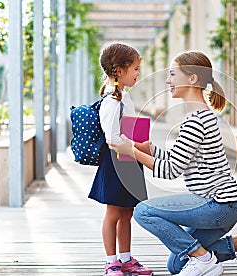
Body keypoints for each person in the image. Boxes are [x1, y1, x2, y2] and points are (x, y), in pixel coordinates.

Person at [107, 51, 237, 276]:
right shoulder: (200, 116)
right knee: (176, 264)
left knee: (143, 211)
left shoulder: (196, 120)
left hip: (218, 205)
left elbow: (170, 171)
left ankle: (202, 258)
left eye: (172, 74)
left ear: (192, 79)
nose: (167, 80)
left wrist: (130, 150)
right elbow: (179, 159)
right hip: (226, 205)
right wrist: (150, 150)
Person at [89, 42, 153, 276]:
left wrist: (137, 146)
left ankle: (126, 259)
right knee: (114, 213)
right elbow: (112, 138)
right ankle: (111, 261)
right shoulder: (112, 101)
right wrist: (140, 146)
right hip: (117, 162)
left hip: (128, 161)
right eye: (135, 68)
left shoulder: (123, 97)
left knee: (127, 211)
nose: (138, 73)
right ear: (120, 70)